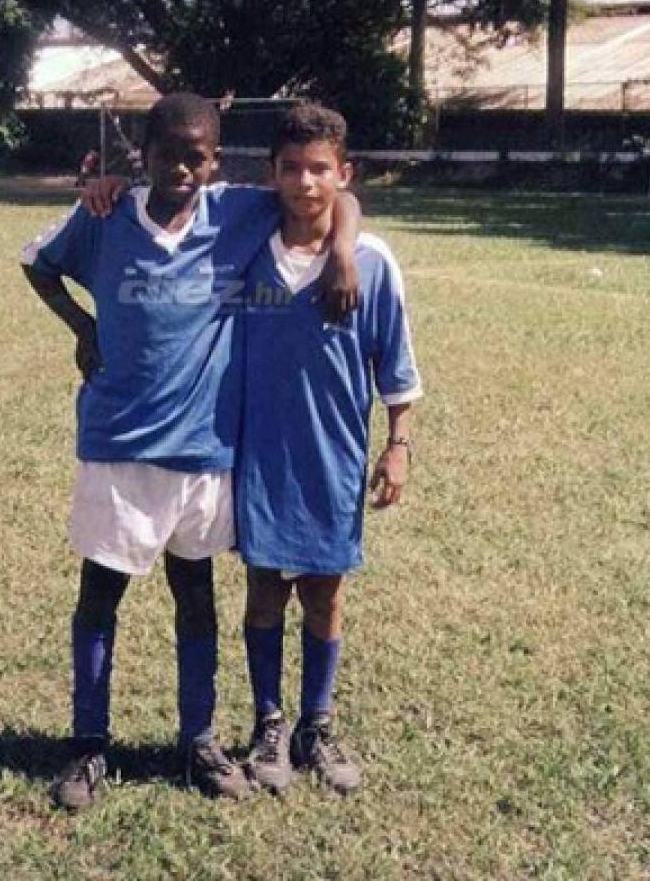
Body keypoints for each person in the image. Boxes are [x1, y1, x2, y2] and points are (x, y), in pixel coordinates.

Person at [20, 92, 360, 809]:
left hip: (206, 449)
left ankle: (198, 740)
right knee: (100, 594)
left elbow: (332, 201)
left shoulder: (237, 210)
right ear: (141, 154)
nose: (183, 168)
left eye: (198, 155)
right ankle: (88, 745)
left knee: (196, 598)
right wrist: (83, 327)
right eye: (168, 152)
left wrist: (347, 253)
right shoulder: (105, 216)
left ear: (216, 158)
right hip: (118, 444)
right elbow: (38, 264)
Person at [237, 104, 422, 796]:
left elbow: (397, 371)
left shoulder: (371, 264)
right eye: (292, 168)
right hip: (257, 457)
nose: (306, 182)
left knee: (324, 593)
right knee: (263, 593)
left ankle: (317, 724)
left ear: (343, 175)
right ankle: (268, 725)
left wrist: (398, 446)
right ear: (272, 174)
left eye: (320, 169)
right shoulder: (247, 247)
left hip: (333, 458)